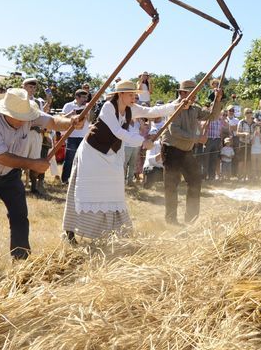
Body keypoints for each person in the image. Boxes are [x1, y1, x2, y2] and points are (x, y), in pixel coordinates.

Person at [0, 89, 78, 271]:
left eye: (26, 117)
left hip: (9, 173)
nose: (25, 121)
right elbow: (1, 157)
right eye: (19, 117)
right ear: (6, 113)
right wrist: (33, 164)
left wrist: (71, 122)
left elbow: (53, 121)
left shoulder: (28, 114)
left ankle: (21, 261)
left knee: (19, 216)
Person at [62, 80, 177, 241]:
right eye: (130, 95)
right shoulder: (108, 107)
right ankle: (70, 231)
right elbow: (117, 132)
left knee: (113, 191)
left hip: (111, 154)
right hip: (93, 153)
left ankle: (112, 233)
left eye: (134, 95)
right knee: (85, 190)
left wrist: (175, 106)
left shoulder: (131, 109)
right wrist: (142, 141)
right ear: (120, 94)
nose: (133, 98)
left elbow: (151, 111)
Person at [159, 79, 216, 225]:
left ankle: (191, 219)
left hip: (186, 151)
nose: (195, 96)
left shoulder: (194, 108)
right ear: (183, 93)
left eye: (196, 93)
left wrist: (219, 99)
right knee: (171, 185)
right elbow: (175, 131)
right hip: (171, 150)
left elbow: (212, 115)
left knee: (195, 180)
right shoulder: (174, 108)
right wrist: (197, 138)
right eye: (192, 93)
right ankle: (171, 220)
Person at [59, 88, 91, 184]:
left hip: (84, 136)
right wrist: (71, 114)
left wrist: (88, 111)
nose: (85, 99)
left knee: (83, 160)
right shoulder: (68, 105)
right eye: (83, 97)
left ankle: (79, 180)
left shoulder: (88, 106)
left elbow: (92, 120)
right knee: (69, 159)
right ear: (77, 97)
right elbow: (61, 119)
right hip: (71, 136)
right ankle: (65, 179)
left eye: (86, 97)